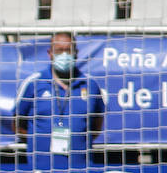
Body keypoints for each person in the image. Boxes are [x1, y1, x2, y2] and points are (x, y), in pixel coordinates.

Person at [14, 31, 106, 162]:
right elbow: (17, 123)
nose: (64, 55)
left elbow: (97, 125)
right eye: (59, 50)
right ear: (50, 53)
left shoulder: (90, 85)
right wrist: (38, 141)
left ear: (76, 53)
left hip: (81, 166)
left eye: (68, 51)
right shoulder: (34, 83)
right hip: (41, 166)